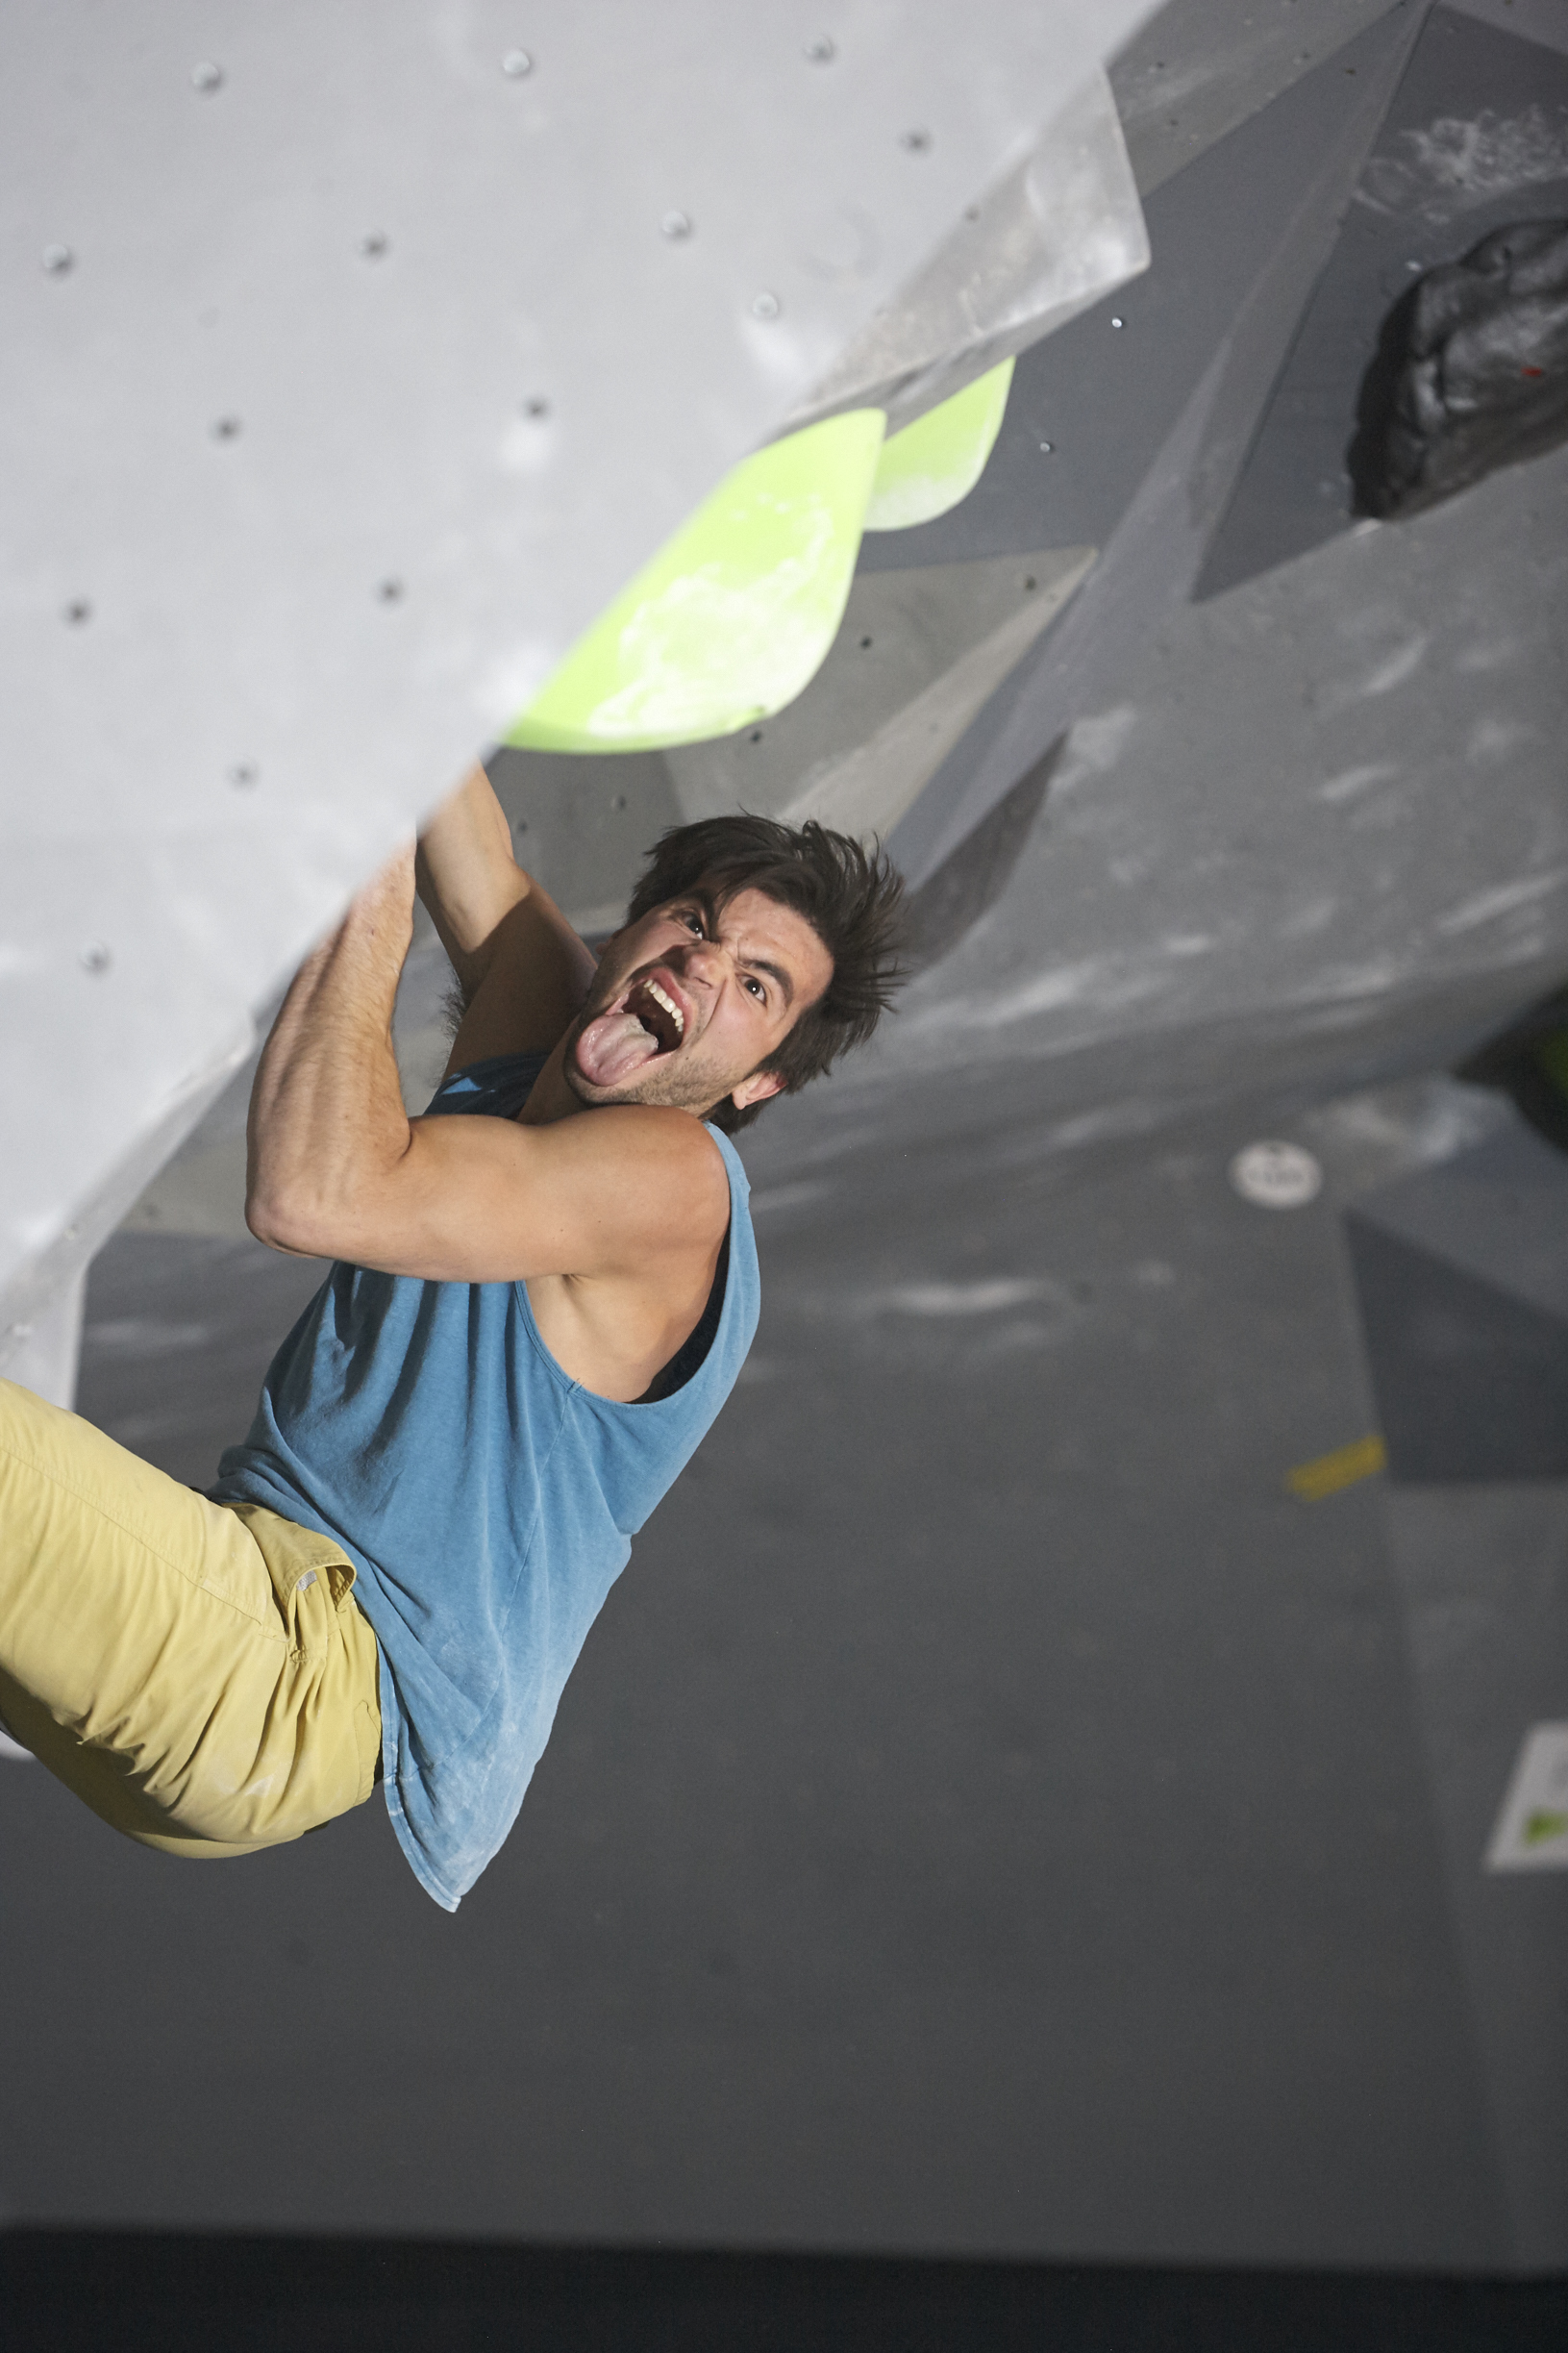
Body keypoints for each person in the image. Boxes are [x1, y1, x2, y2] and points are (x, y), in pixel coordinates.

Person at [0, 769, 904, 1908]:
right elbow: (431, 773)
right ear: (628, 928)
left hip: (282, 1682)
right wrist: (389, 642)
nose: (703, 966)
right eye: (695, 921)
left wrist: (356, 860)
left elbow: (309, 1193)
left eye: (757, 984)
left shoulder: (677, 1185)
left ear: (760, 1079)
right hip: (220, 1646)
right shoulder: (552, 1026)